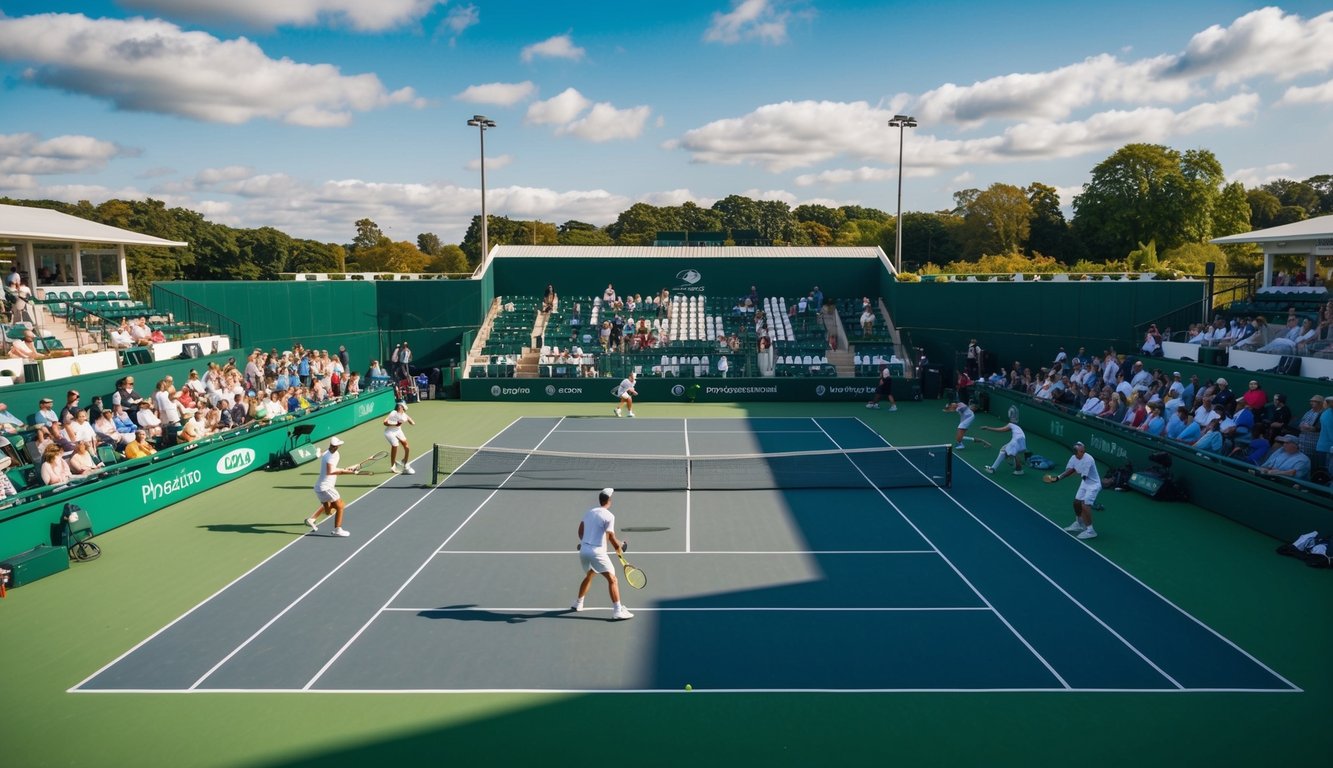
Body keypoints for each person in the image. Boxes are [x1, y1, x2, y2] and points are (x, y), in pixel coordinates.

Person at [570, 487, 633, 620]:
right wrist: (619, 549)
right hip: (597, 552)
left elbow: (580, 531)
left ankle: (578, 603)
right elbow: (610, 537)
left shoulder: (589, 512)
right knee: (613, 579)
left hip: (584, 550)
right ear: (609, 500)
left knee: (590, 574)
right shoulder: (609, 516)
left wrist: (585, 542)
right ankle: (617, 611)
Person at [1047, 441, 1103, 540]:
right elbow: (1070, 470)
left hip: (1093, 485)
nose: (1083, 452)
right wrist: (1058, 478)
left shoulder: (1088, 459)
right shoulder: (1073, 458)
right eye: (1081, 451)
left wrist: (1088, 501)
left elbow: (1083, 476)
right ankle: (1079, 523)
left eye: (1083, 450)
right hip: (1085, 483)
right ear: (1075, 452)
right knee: (1076, 502)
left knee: (1085, 505)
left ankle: (1090, 531)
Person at [304, 436, 355, 537]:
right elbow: (330, 471)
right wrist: (348, 472)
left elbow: (322, 454)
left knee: (328, 511)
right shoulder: (330, 457)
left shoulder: (327, 452)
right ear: (333, 446)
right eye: (334, 446)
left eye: (336, 446)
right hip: (327, 487)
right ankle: (338, 529)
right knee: (340, 505)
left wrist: (318, 452)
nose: (335, 447)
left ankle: (312, 519)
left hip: (319, 487)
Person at [383, 400, 416, 474]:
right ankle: (393, 466)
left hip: (398, 431)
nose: (404, 409)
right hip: (389, 432)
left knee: (407, 447)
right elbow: (384, 422)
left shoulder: (403, 414)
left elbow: (409, 418)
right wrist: (394, 424)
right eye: (402, 407)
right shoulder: (393, 413)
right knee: (395, 445)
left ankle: (404, 461)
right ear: (399, 407)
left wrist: (411, 421)